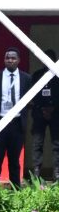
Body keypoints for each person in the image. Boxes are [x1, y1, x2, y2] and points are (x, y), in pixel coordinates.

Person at [0, 48, 32, 185]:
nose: (10, 60)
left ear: (19, 60)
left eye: (13, 58)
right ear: (4, 60)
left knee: (14, 161)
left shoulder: (26, 78)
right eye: (7, 58)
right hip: (0, 123)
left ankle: (16, 192)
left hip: (17, 124)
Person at [30, 49, 59, 179]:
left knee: (57, 144)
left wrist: (52, 108)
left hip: (56, 113)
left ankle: (57, 173)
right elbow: (32, 94)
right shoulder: (37, 75)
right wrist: (42, 108)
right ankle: (36, 172)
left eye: (50, 58)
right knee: (37, 143)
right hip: (39, 113)